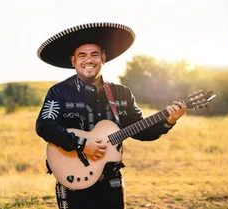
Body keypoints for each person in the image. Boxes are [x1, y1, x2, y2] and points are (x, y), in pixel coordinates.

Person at [35, 22, 187, 209]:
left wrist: (168, 121)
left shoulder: (121, 93)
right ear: (73, 60)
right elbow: (45, 126)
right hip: (73, 180)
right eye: (82, 55)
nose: (88, 60)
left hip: (111, 181)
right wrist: (82, 144)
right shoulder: (59, 92)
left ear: (103, 58)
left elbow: (141, 130)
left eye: (94, 54)